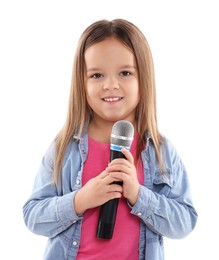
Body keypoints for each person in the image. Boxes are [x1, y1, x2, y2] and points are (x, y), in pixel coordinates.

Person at [22, 19, 198, 260]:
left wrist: (139, 195)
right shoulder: (64, 147)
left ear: (143, 78)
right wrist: (80, 200)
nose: (110, 85)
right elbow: (33, 216)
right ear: (81, 83)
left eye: (125, 73)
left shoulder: (160, 150)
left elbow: (185, 221)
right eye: (96, 75)